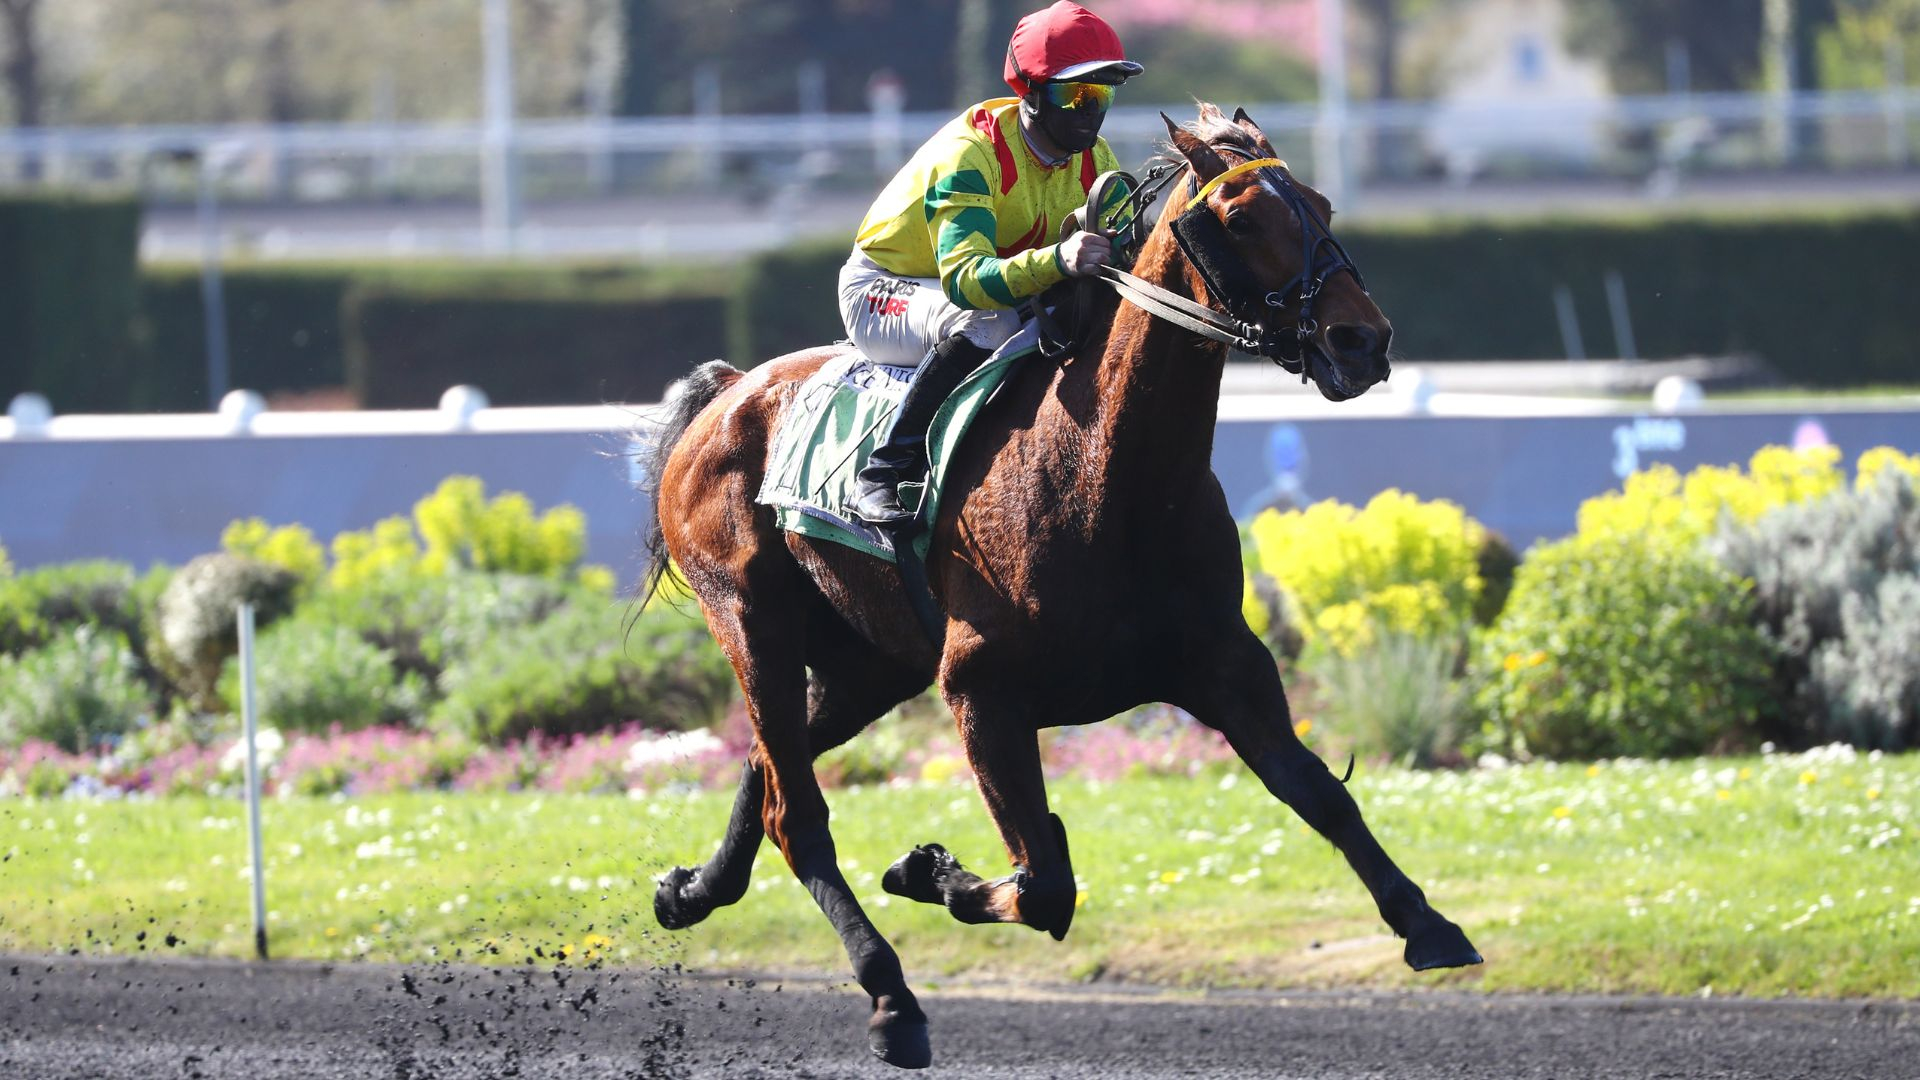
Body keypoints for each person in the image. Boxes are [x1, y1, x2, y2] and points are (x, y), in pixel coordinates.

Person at [840, 0, 1143, 528]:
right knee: (989, 322)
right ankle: (883, 473)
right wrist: (1059, 259)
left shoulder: (1098, 162)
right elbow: (964, 282)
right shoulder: (971, 154)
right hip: (884, 289)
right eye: (1076, 93)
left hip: (991, 288)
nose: (1091, 110)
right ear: (1030, 91)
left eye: (1103, 92)